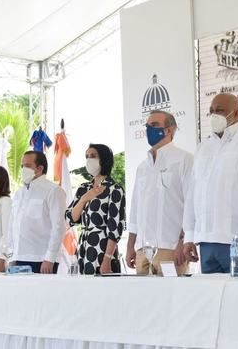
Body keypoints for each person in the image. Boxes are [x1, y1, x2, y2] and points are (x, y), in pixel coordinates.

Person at [183, 93, 238, 274]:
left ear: (237, 114)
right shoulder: (203, 148)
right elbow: (193, 194)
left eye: (220, 111)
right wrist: (189, 236)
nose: (215, 115)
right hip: (206, 241)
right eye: (211, 111)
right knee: (210, 301)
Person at [126, 111, 193, 275]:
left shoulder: (184, 160)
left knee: (171, 299)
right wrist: (130, 247)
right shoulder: (142, 167)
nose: (149, 129)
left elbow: (191, 205)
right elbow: (135, 210)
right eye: (148, 126)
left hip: (170, 248)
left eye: (154, 125)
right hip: (142, 251)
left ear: (169, 130)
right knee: (143, 300)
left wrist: (182, 242)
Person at [66, 144, 126, 275]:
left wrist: (107, 259)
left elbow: (114, 229)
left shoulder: (114, 189)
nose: (89, 159)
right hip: (83, 248)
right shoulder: (83, 188)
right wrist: (84, 199)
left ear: (104, 159)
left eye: (93, 156)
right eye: (87, 156)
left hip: (103, 249)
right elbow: (71, 218)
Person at [10, 151, 66, 274]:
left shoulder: (53, 191)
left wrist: (50, 258)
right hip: (19, 258)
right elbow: (13, 225)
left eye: (28, 166)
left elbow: (59, 227)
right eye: (22, 166)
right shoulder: (19, 193)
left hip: (42, 259)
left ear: (40, 168)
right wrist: (11, 256)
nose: (23, 169)